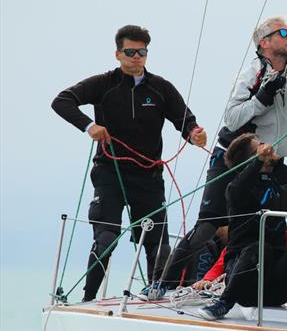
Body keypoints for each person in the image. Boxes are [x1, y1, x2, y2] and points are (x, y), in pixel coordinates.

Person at [157, 16, 287, 290]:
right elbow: (232, 119)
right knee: (209, 224)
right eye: (284, 32)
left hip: (272, 163)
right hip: (235, 159)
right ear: (264, 43)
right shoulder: (252, 74)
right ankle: (163, 285)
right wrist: (264, 95)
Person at [52, 24, 207, 302]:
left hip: (148, 175)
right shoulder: (103, 84)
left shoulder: (161, 88)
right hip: (109, 172)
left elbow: (184, 119)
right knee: (106, 239)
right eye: (131, 51)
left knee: (157, 245)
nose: (137, 57)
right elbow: (62, 101)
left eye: (142, 52)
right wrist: (89, 126)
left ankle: (155, 300)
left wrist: (194, 133)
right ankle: (88, 300)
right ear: (118, 54)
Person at [199, 134, 287, 321]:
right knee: (259, 247)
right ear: (252, 159)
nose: (267, 145)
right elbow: (238, 187)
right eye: (259, 145)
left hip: (278, 288)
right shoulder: (237, 192)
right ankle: (223, 304)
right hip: (246, 287)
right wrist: (259, 160)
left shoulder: (274, 188)